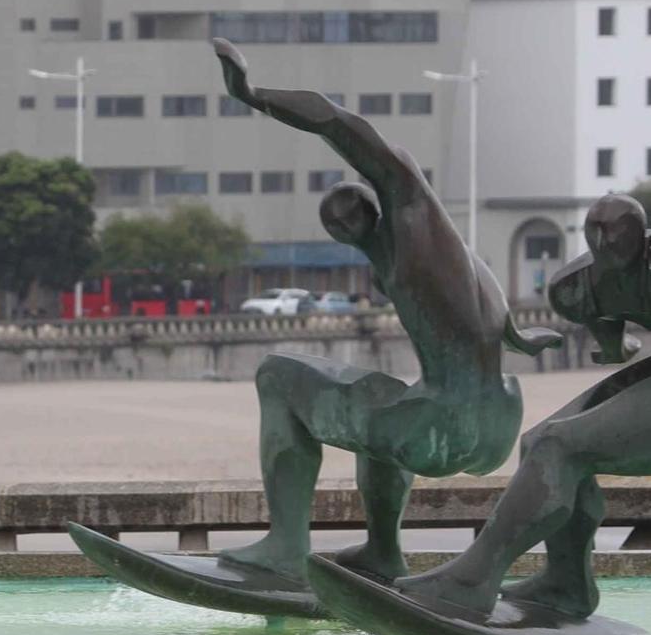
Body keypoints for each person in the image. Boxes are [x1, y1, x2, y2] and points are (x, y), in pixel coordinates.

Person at [210, 39, 559, 586]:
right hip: (493, 421)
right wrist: (523, 339)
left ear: (374, 201)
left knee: (276, 375)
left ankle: (285, 545)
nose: (344, 231)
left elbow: (335, 121)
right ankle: (382, 551)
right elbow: (496, 322)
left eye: (344, 218)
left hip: (442, 425)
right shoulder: (451, 259)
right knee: (381, 397)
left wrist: (253, 95)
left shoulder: (410, 205)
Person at [397, 195, 651, 620]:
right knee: (538, 443)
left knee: (561, 447)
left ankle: (470, 580)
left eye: (615, 238)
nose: (607, 246)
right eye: (598, 240)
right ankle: (567, 582)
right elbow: (600, 315)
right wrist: (613, 345)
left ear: (640, 235)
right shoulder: (589, 282)